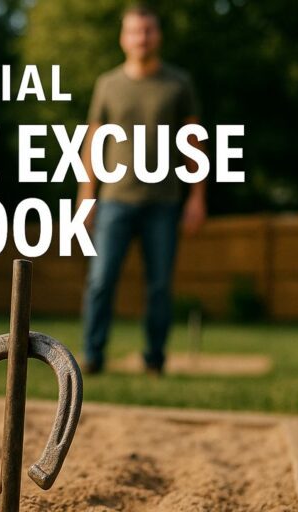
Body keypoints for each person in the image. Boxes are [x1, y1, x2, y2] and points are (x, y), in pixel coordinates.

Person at [77, 4, 207, 375]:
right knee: (101, 280)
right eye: (135, 31)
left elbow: (193, 142)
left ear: (158, 35)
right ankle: (93, 356)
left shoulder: (178, 83)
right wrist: (86, 196)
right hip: (114, 200)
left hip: (163, 202)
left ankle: (155, 359)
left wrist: (197, 197)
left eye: (148, 30)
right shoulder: (108, 84)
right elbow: (93, 142)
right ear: (124, 38)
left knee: (160, 286)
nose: (142, 38)